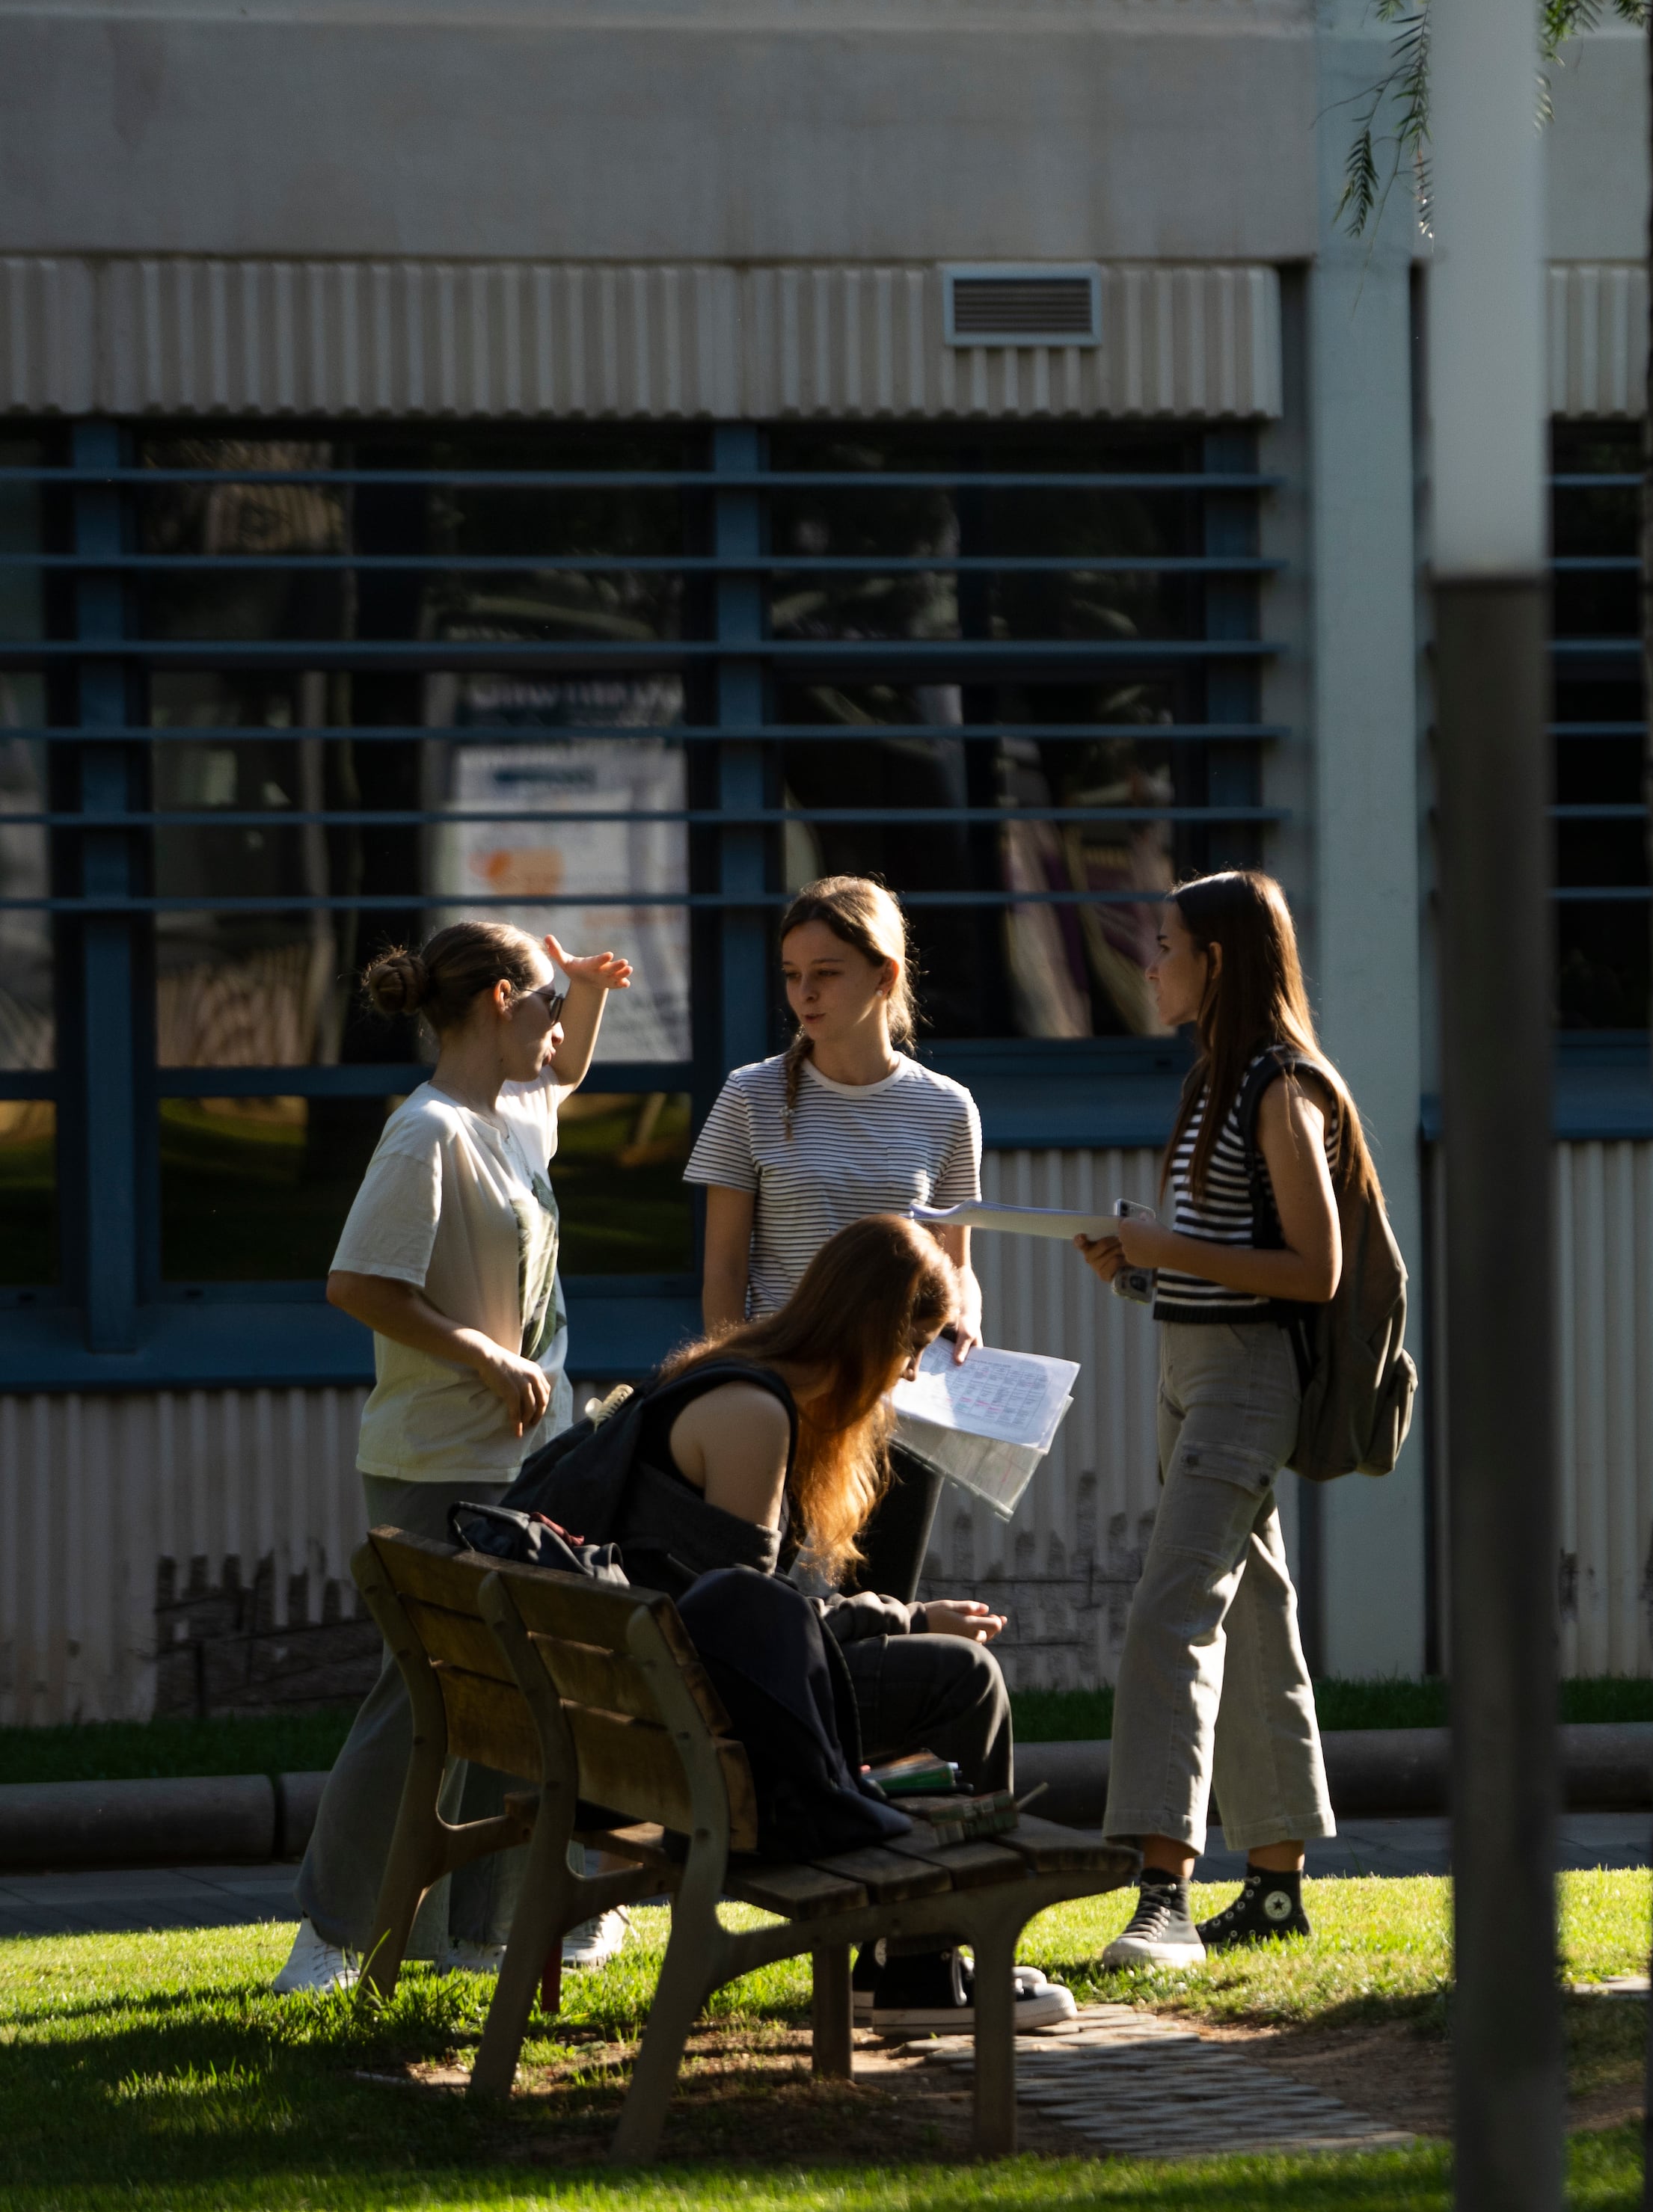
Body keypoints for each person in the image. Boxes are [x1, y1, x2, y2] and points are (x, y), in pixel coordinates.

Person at [591, 1214, 1070, 2035]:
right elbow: (751, 1632)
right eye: (908, 1354)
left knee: (932, 1665)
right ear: (869, 1334)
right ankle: (919, 1971)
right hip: (696, 1730)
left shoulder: (724, 1374)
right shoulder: (753, 1414)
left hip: (651, 1707)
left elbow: (745, 1615)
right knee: (963, 1681)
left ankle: (908, 1955)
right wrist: (909, 1619)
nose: (907, 1378)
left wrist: (906, 1617)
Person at [275, 922, 633, 1995]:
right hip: (438, 1461)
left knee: (521, 1693)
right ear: (494, 1001)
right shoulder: (425, 1133)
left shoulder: (516, 1110)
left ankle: (491, 1929)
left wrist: (589, 988)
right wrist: (483, 1352)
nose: (561, 1030)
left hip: (525, 1456)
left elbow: (567, 1067)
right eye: (546, 1004)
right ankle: (332, 1936)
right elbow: (358, 1284)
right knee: (423, 1693)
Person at [1070, 870, 1380, 1967]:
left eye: (1165, 945)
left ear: (1218, 959)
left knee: (1171, 1614)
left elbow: (1315, 1269)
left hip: (1245, 1383)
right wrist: (1139, 1269)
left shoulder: (1281, 1087)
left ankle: (1163, 1894)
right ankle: (1280, 1885)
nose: (1148, 963)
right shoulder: (1215, 1079)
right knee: (1254, 1616)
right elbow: (1226, 1263)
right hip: (1189, 1367)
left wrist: (1164, 1247)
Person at [682, 876, 985, 1602]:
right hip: (783, 1396)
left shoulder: (946, 1109)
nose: (804, 995)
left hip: (899, 1404)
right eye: (792, 976)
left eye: (825, 974)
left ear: (885, 976)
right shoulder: (749, 1096)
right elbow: (723, 1268)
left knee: (879, 1615)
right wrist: (736, 1382)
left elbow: (956, 1264)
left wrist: (965, 1314)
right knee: (768, 1614)